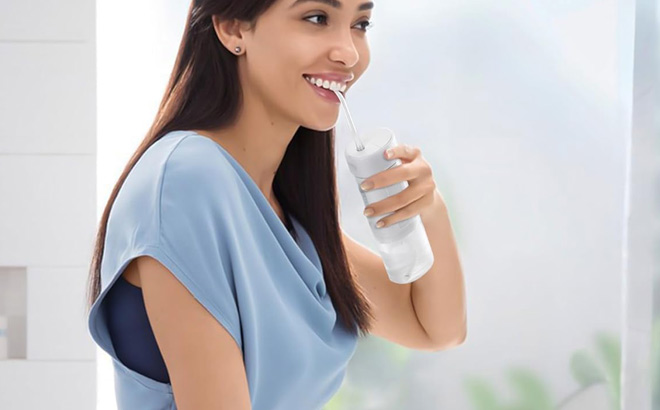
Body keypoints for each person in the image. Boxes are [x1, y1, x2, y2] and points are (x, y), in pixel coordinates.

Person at [86, 0, 452, 408]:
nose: (348, 52)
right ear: (232, 28)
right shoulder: (187, 182)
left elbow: (434, 328)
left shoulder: (280, 212)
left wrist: (428, 205)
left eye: (361, 23)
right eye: (317, 18)